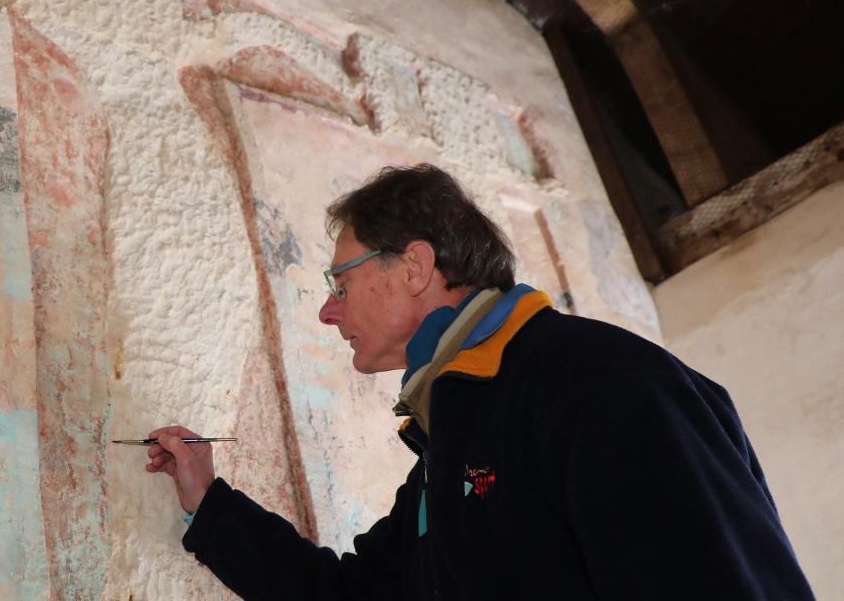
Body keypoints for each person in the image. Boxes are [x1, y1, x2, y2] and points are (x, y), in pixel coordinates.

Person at [144, 164, 814, 599]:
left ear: (414, 267)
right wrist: (210, 503)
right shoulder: (450, 445)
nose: (328, 309)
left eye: (341, 282)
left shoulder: (600, 380)